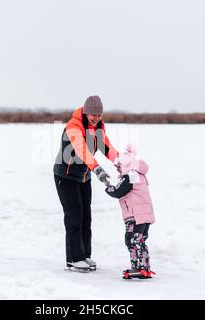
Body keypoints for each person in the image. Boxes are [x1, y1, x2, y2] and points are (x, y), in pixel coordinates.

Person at [53, 95, 119, 272]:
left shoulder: (98, 127)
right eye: (93, 115)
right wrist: (98, 169)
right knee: (74, 216)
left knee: (85, 217)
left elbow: (107, 147)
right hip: (65, 177)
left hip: (83, 176)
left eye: (99, 115)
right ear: (86, 112)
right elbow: (82, 150)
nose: (96, 118)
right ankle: (74, 259)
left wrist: (120, 162)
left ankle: (85, 255)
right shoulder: (73, 126)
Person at [105, 144, 155, 279]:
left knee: (131, 240)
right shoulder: (140, 175)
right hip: (145, 216)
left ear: (127, 164)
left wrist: (108, 188)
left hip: (135, 216)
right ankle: (143, 267)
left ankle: (139, 268)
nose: (118, 169)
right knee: (140, 241)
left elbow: (117, 191)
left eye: (119, 166)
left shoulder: (130, 176)